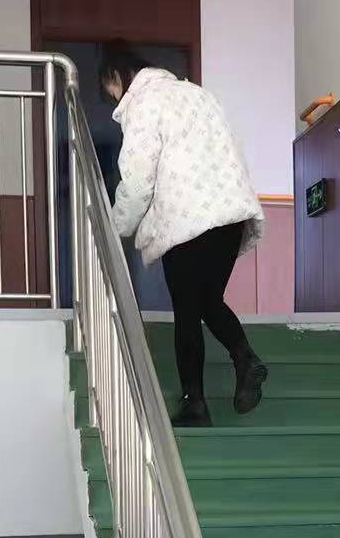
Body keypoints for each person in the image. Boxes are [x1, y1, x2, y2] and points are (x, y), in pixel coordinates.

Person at [100, 40, 268, 427]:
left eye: (110, 91)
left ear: (116, 75)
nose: (113, 100)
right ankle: (244, 360)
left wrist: (115, 226)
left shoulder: (145, 103)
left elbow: (138, 181)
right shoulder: (199, 95)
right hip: (229, 213)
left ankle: (196, 402)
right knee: (206, 300)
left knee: (188, 312)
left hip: (186, 217)